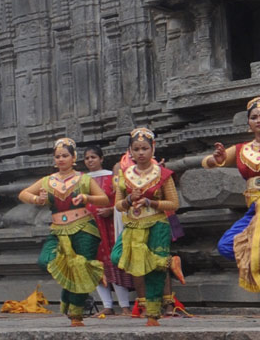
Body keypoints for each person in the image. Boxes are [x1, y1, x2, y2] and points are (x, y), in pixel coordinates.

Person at [17, 138, 110, 326]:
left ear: (73, 157)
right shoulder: (47, 181)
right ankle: (93, 272)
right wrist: (38, 199)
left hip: (84, 228)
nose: (61, 159)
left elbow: (105, 200)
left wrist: (86, 196)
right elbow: (23, 194)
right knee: (45, 261)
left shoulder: (83, 179)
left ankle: (76, 315)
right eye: (58, 156)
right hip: (58, 230)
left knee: (80, 269)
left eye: (65, 155)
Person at [110, 127, 184, 325]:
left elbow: (174, 204)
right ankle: (170, 262)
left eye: (144, 148)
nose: (141, 152)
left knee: (154, 270)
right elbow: (117, 205)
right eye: (136, 149)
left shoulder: (163, 174)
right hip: (133, 226)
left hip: (156, 223)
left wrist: (151, 202)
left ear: (153, 149)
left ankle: (152, 314)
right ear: (130, 151)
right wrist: (128, 199)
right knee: (117, 256)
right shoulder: (124, 175)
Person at [200, 96, 260, 293]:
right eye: (254, 117)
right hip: (253, 209)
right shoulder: (242, 149)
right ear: (249, 123)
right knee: (227, 245)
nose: (258, 120)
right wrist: (216, 158)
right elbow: (207, 162)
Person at [86, 146, 132, 314]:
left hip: (111, 225)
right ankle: (107, 305)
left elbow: (119, 199)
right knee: (96, 264)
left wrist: (110, 210)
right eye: (87, 158)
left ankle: (125, 305)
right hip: (91, 226)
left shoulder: (110, 176)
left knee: (115, 261)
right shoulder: (82, 179)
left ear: (101, 158)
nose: (90, 160)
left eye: (93, 157)